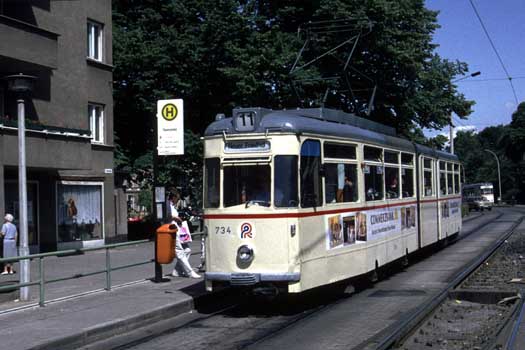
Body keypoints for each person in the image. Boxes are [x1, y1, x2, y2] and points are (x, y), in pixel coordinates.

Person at [168, 194, 200, 279]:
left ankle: (177, 271)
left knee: (187, 250)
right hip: (172, 232)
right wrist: (177, 218)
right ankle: (189, 272)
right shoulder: (167, 206)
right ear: (173, 198)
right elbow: (169, 216)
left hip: (178, 231)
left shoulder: (172, 206)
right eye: (177, 199)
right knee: (180, 252)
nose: (177, 201)